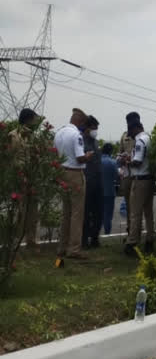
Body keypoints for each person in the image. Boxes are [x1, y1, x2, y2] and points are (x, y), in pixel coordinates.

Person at [53, 108, 93, 260]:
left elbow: (54, 153)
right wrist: (88, 156)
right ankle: (74, 249)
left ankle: (62, 247)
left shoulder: (59, 133)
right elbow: (80, 158)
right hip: (75, 174)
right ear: (80, 121)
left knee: (66, 212)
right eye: (83, 123)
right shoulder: (76, 135)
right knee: (77, 213)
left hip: (61, 172)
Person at [9, 108, 42, 251]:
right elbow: (10, 157)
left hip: (32, 177)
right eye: (34, 119)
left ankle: (32, 241)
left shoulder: (32, 136)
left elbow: (36, 156)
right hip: (19, 177)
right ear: (28, 119)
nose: (36, 122)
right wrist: (19, 175)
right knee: (20, 211)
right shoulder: (14, 136)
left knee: (33, 212)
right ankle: (15, 243)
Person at [124, 120, 154, 256]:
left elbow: (138, 161)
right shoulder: (149, 138)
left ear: (136, 128)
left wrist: (126, 162)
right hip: (149, 179)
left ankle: (132, 243)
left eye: (130, 131)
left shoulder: (140, 141)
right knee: (148, 213)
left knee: (135, 214)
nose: (129, 134)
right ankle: (150, 240)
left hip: (140, 179)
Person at [81, 115, 103, 249]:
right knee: (86, 212)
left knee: (98, 212)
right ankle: (84, 240)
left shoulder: (95, 142)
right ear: (88, 128)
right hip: (87, 181)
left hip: (98, 181)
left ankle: (95, 238)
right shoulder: (81, 141)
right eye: (95, 128)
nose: (96, 131)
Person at [118, 112, 139, 236]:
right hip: (126, 175)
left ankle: (136, 231)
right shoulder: (124, 136)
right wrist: (121, 159)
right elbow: (119, 153)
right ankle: (130, 229)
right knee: (128, 205)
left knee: (136, 205)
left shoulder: (142, 136)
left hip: (137, 174)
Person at [101, 143, 119, 235]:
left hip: (98, 192)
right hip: (109, 192)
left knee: (97, 214)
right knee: (108, 215)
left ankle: (95, 235)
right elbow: (117, 176)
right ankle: (107, 234)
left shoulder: (97, 161)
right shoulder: (112, 162)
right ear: (111, 151)